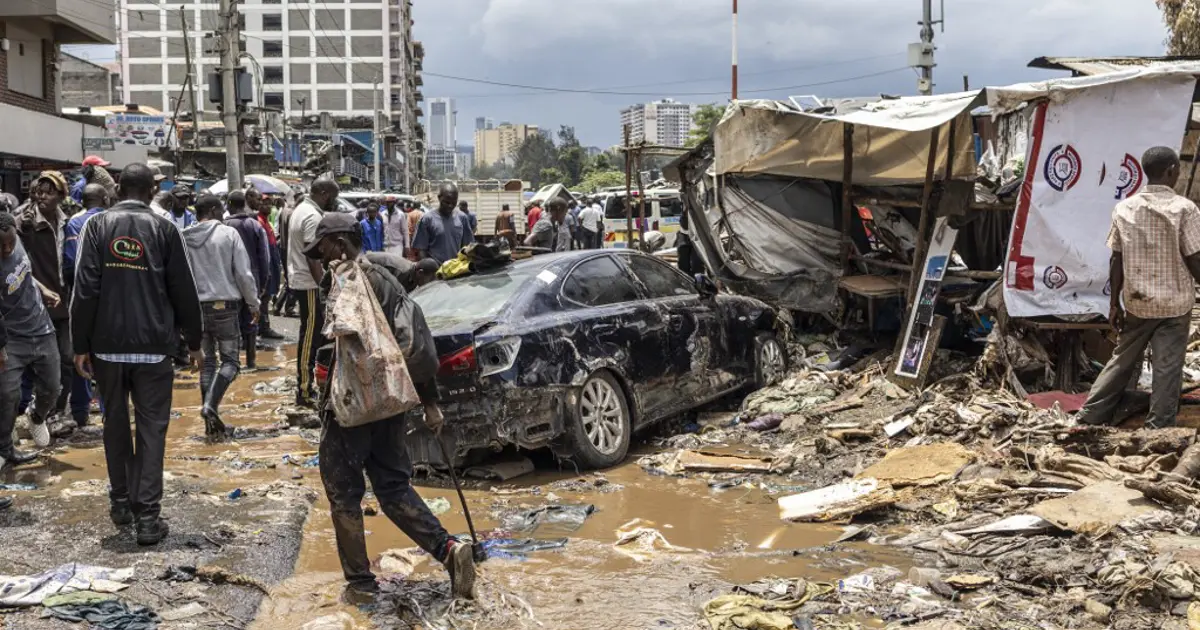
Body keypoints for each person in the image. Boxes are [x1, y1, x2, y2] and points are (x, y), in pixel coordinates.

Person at [304, 212, 477, 600]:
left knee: (343, 494)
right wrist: (430, 404)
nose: (321, 257)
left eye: (324, 249)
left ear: (341, 244)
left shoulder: (347, 283)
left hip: (351, 409)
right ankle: (449, 551)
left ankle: (361, 585)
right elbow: (417, 345)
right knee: (394, 487)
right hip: (390, 404)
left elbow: (335, 349)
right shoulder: (389, 283)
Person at [71, 162, 203, 546]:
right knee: (152, 430)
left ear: (117, 192)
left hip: (107, 349)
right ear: (150, 192)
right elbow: (184, 290)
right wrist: (194, 343)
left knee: (113, 423)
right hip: (154, 348)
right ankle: (148, 516)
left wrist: (80, 345)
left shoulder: (95, 227)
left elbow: (84, 289)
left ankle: (120, 502)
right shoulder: (165, 228)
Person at [1078, 146, 1200, 429]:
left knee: (1121, 361)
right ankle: (1158, 427)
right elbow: (1194, 258)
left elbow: (1116, 259)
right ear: (1172, 170)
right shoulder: (1185, 209)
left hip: (1137, 301)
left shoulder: (1124, 208)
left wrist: (1113, 305)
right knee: (1167, 368)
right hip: (1175, 304)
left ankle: (1090, 415)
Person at [184, 195, 260, 438]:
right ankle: (210, 407)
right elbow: (243, 274)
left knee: (206, 362)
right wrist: (253, 303)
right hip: (224, 307)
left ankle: (210, 419)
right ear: (215, 210)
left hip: (195, 308)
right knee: (231, 362)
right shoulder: (228, 235)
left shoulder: (184, 236)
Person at [0, 212, 61, 466]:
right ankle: (6, 448)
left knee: (52, 386)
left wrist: (43, 288)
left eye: (10, 243)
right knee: (7, 395)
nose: (6, 249)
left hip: (41, 327)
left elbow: (23, 271)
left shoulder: (17, 240)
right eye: (0, 246)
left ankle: (36, 416)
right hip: (10, 337)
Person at [18, 172, 76, 438]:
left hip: (63, 302)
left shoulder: (68, 222)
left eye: (49, 192)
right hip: (36, 304)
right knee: (33, 362)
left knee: (66, 359)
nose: (42, 196)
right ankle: (28, 415)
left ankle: (50, 414)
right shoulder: (24, 222)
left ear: (61, 196)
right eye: (39, 191)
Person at [287, 177, 338, 407]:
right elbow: (312, 256)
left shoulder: (302, 209)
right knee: (309, 337)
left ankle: (307, 386)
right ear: (325, 193)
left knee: (311, 334)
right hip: (308, 283)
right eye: (333, 197)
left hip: (302, 280)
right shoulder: (311, 216)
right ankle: (304, 391)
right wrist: (323, 286)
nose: (334, 202)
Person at [224, 189, 270, 370]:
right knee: (252, 320)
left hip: (229, 280)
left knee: (232, 321)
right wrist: (264, 282)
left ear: (228, 205)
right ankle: (251, 362)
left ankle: (232, 364)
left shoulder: (223, 225)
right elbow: (264, 257)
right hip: (253, 279)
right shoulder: (254, 225)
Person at [412, 184, 474, 264]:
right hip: (436, 271)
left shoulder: (462, 218)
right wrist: (429, 270)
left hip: (457, 270)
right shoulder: (427, 219)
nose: (450, 205)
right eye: (447, 202)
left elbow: (468, 246)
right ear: (439, 197)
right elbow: (421, 250)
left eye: (453, 202)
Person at [255, 190, 284, 340]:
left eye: (269, 203)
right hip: (265, 264)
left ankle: (264, 326)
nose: (267, 206)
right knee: (263, 298)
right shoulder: (258, 222)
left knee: (266, 298)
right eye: (264, 203)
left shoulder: (267, 221)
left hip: (272, 261)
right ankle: (262, 327)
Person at [365, 254, 439, 294]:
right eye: (430, 279)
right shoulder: (402, 273)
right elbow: (390, 295)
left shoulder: (414, 278)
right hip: (365, 266)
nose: (429, 283)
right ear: (420, 273)